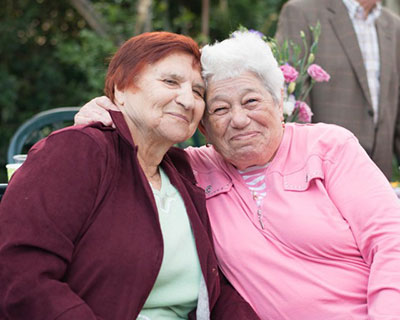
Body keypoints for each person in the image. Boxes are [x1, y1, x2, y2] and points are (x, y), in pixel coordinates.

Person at [76, 30, 400, 319]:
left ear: (278, 102)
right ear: (202, 126)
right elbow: (130, 155)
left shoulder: (328, 146)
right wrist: (102, 117)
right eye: (220, 109)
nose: (240, 119)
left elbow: (391, 242)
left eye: (251, 101)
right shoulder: (189, 169)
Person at [0, 32, 260, 320]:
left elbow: (217, 291)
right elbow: (21, 275)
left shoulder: (183, 171)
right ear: (121, 88)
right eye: (170, 82)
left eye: (198, 92)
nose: (188, 100)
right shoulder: (81, 151)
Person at [275, 0, 400, 180]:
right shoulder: (300, 12)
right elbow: (292, 103)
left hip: (379, 183)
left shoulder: (394, 26)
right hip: (323, 180)